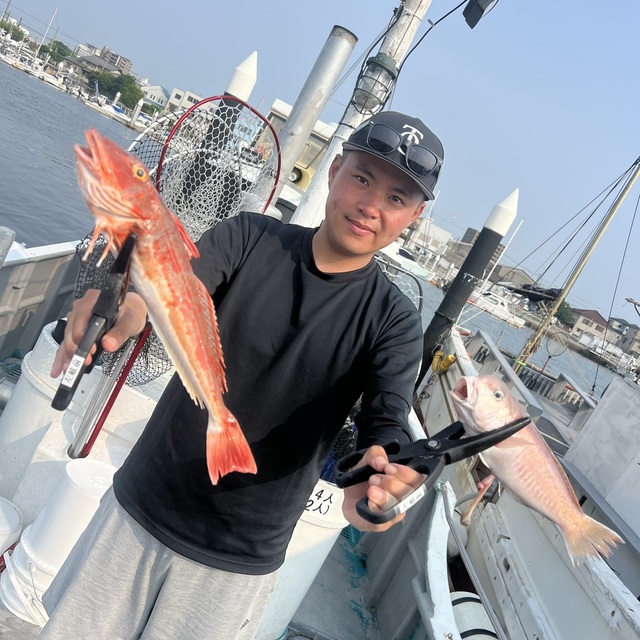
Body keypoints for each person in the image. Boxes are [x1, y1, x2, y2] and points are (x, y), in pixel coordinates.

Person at [39, 110, 445, 640]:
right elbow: (171, 288)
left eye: (395, 198)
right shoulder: (250, 235)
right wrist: (116, 310)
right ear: (335, 170)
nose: (371, 205)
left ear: (413, 216)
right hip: (142, 505)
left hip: (240, 559)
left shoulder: (394, 320)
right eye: (363, 178)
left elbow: (386, 417)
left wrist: (382, 473)